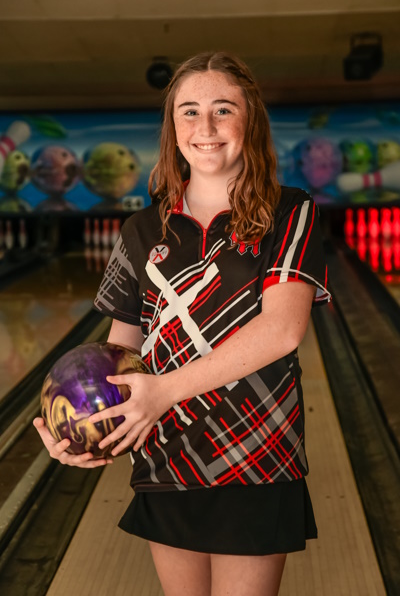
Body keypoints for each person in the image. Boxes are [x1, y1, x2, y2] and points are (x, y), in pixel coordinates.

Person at [34, 51, 331, 596]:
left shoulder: (291, 212)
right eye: (189, 112)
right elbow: (119, 354)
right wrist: (84, 428)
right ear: (173, 129)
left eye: (224, 109)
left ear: (251, 121)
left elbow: (282, 330)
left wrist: (163, 391)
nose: (206, 127)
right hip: (168, 457)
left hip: (257, 455)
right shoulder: (141, 230)